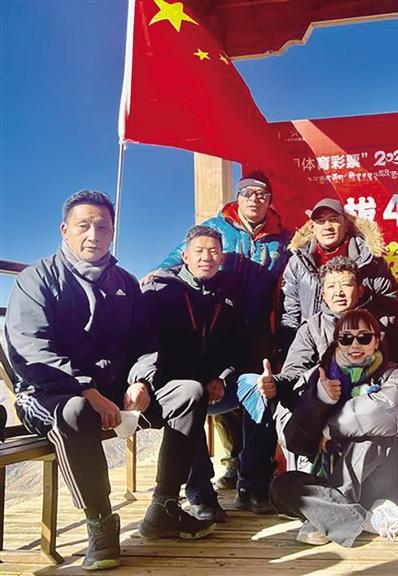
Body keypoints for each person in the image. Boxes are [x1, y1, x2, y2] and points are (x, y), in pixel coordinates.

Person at [5, 191, 214, 571]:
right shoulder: (36, 280)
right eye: (83, 226)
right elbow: (31, 351)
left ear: (113, 233)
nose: (93, 235)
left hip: (116, 391)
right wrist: (86, 389)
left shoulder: (125, 283)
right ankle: (100, 522)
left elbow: (144, 343)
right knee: (75, 411)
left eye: (102, 227)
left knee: (189, 392)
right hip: (50, 393)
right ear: (65, 230)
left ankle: (164, 507)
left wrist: (141, 381)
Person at [146, 171, 292, 492]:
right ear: (237, 198)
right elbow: (182, 256)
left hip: (257, 329)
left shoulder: (283, 239)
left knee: (253, 389)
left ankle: (253, 475)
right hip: (218, 320)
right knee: (211, 391)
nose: (254, 199)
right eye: (248, 193)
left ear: (270, 200)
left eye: (262, 194)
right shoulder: (217, 228)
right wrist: (158, 274)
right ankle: (226, 467)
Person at [270, 310, 398, 547]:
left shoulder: (394, 375)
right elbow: (296, 442)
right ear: (337, 342)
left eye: (364, 338)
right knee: (280, 487)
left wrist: (330, 429)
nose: (355, 345)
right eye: (346, 338)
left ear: (376, 340)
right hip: (323, 477)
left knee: (368, 432)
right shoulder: (318, 376)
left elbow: (389, 411)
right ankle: (371, 520)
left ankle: (324, 516)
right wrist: (317, 401)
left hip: (374, 477)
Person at [242, 257, 398, 471]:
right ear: (323, 294)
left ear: (360, 290)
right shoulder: (311, 328)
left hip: (365, 413)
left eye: (346, 285)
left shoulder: (386, 325)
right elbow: (295, 371)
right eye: (331, 286)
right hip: (319, 413)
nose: (339, 292)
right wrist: (276, 383)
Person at [141, 225, 251, 522]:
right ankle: (201, 494)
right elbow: (146, 344)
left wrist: (223, 377)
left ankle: (252, 482)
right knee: (192, 399)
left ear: (222, 257)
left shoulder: (231, 291)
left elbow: (240, 345)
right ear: (185, 256)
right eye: (199, 251)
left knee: (257, 389)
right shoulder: (162, 290)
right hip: (173, 384)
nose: (206, 257)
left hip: (218, 382)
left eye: (213, 251)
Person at [278, 198, 398, 361]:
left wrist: (367, 337)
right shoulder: (298, 263)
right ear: (313, 227)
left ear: (346, 224)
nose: (327, 226)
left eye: (333, 220)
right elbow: (291, 314)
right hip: (314, 351)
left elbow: (390, 309)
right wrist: (292, 354)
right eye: (320, 221)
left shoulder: (371, 260)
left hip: (364, 352)